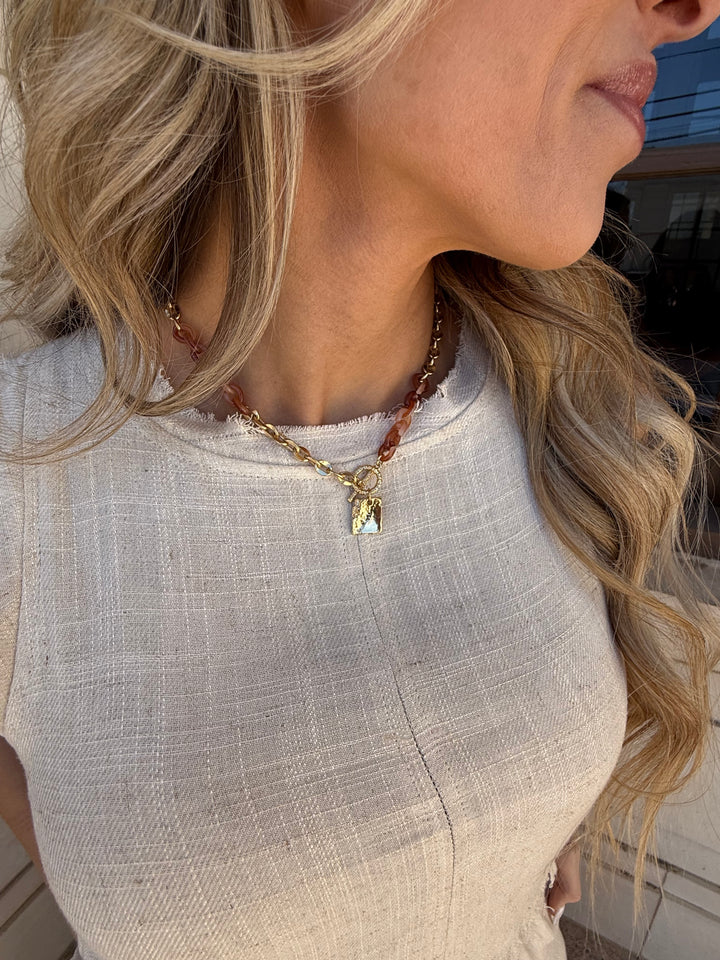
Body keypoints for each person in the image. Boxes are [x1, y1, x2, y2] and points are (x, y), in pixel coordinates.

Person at [1, 1, 720, 958]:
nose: (694, 10)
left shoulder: (560, 399)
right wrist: (88, 855)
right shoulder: (27, 466)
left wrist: (520, 818)